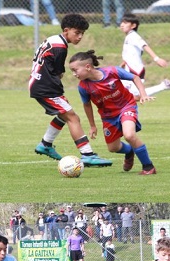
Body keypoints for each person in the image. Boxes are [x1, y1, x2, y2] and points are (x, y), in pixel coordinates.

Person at [29, 13, 113, 168]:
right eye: (77, 32)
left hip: (40, 84)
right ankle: (87, 155)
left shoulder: (54, 39)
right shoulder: (60, 47)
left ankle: (45, 144)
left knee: (63, 116)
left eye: (82, 33)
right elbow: (58, 73)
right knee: (73, 118)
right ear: (66, 30)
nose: (80, 36)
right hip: (46, 87)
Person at [69, 50, 157, 175]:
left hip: (126, 106)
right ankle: (129, 151)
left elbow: (135, 77)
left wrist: (143, 94)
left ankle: (148, 167)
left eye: (75, 70)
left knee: (129, 135)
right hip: (108, 117)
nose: (73, 74)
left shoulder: (112, 71)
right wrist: (92, 125)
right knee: (113, 148)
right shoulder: (83, 87)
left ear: (87, 67)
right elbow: (87, 105)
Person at [119, 13, 170, 100]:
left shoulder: (133, 36)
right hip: (129, 69)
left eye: (125, 23)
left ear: (133, 25)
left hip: (135, 70)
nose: (122, 25)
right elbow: (131, 54)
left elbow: (144, 46)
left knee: (132, 96)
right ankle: (164, 86)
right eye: (122, 22)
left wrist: (157, 59)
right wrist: (123, 64)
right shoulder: (129, 37)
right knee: (130, 96)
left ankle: (163, 86)